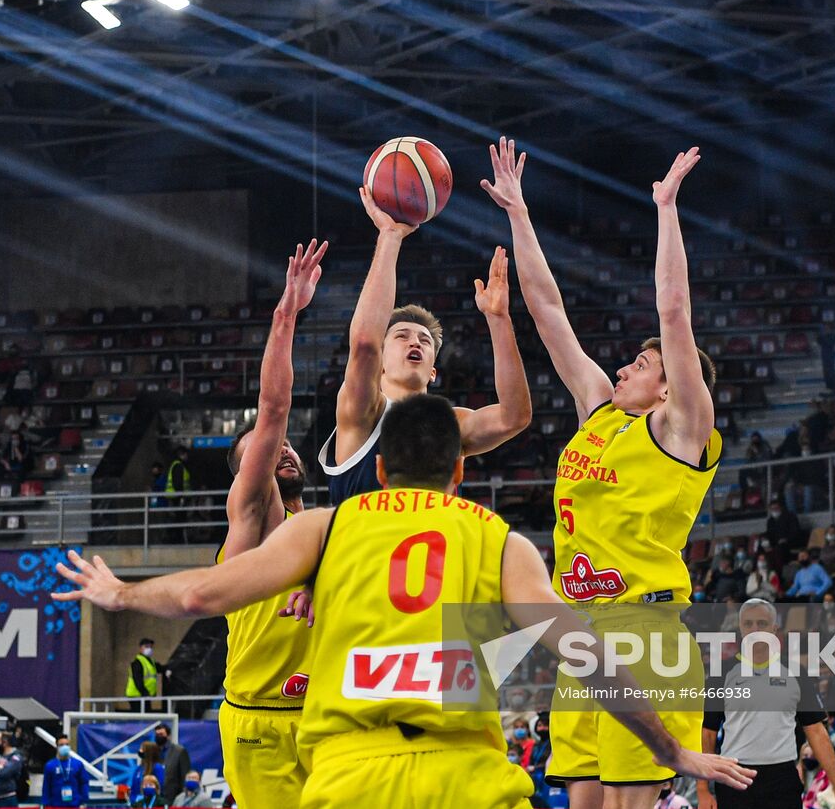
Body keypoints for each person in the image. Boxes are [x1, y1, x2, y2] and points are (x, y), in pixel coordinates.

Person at [53, 394, 755, 809]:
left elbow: (203, 593)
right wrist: (671, 747)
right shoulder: (499, 539)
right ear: (458, 470)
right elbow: (587, 652)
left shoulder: (324, 527)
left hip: (351, 775)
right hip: (467, 777)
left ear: (380, 469)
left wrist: (120, 592)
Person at [482, 139, 727, 808]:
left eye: (641, 367)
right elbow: (549, 312)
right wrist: (519, 212)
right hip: (582, 635)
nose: (623, 368)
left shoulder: (682, 432)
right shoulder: (600, 413)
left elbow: (673, 313)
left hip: (645, 632)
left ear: (673, 387)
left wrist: (667, 209)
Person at [317, 177, 531, 507]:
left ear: (433, 371)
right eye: (401, 336)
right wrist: (389, 237)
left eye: (425, 341)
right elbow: (363, 343)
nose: (414, 342)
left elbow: (514, 416)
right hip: (365, 557)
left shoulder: (451, 423)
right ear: (381, 363)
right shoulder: (363, 412)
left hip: (437, 557)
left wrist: (499, 319)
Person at [216, 239, 325, 809]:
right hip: (263, 720)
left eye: (286, 448)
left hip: (326, 715)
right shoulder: (258, 518)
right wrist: (287, 315)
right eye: (262, 450)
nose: (281, 449)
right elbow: (274, 410)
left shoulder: (321, 526)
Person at [700, 599, 835, 809]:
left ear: (774, 629)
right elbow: (707, 733)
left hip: (782, 776)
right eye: (748, 624)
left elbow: (816, 732)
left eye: (762, 624)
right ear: (740, 628)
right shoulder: (721, 674)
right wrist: (702, 790)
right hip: (735, 776)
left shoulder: (796, 673)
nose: (755, 630)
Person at [42, 735, 88, 808]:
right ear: (56, 747)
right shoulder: (50, 765)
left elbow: (84, 783)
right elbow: (46, 786)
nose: (64, 747)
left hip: (75, 804)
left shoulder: (78, 764)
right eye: (61, 745)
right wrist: (45, 804)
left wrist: (84, 802)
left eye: (67, 744)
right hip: (56, 805)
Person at [152, 724, 190, 805]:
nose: (159, 737)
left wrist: (182, 797)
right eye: (157, 735)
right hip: (155, 797)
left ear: (168, 736)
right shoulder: (153, 752)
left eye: (161, 734)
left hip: (173, 797)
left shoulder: (179, 751)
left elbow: (185, 775)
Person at [125, 638, 164, 713]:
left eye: (150, 647)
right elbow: (138, 681)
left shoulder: (151, 661)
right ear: (140, 648)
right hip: (136, 695)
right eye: (146, 647)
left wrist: (168, 669)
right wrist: (145, 693)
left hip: (144, 696)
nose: (149, 649)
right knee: (140, 718)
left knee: (146, 716)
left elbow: (160, 668)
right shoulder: (137, 663)